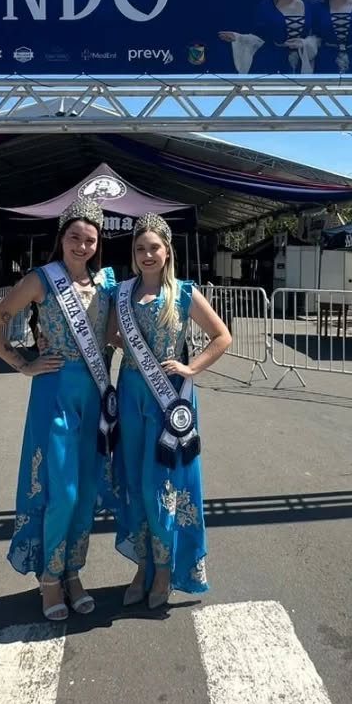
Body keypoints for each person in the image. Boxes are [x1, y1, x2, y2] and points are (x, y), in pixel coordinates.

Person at [0, 198, 119, 621]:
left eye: (90, 239)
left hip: (94, 395)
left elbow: (117, 333)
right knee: (62, 492)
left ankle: (73, 571)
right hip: (53, 393)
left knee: (87, 491)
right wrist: (24, 364)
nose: (82, 245)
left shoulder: (106, 285)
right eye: (75, 236)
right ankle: (50, 578)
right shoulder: (41, 280)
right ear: (61, 239)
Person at [106, 213, 232, 609]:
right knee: (133, 483)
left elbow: (221, 335)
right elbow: (109, 333)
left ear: (167, 251)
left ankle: (164, 569)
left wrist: (192, 368)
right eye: (140, 248)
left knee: (160, 484)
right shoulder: (121, 293)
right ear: (133, 253)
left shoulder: (183, 293)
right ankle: (143, 566)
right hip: (130, 394)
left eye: (154, 248)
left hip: (168, 401)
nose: (147, 254)